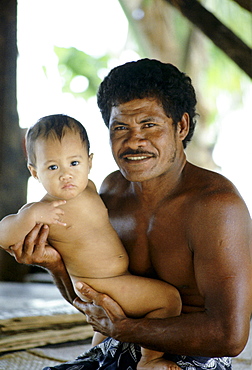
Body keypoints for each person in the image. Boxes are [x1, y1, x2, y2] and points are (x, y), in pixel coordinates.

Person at [7, 59, 252, 370]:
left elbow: (230, 336)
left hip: (189, 361)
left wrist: (126, 330)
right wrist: (54, 264)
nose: (134, 140)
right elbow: (94, 298)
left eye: (149, 125)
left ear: (181, 126)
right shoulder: (110, 191)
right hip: (116, 347)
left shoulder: (216, 207)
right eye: (121, 127)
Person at [0, 113, 182, 369]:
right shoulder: (47, 209)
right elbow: (3, 234)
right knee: (168, 299)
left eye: (74, 163)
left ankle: (94, 356)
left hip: (115, 278)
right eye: (53, 167)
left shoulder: (89, 187)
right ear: (34, 172)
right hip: (101, 283)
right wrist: (28, 215)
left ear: (89, 161)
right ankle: (150, 359)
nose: (66, 174)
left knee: (104, 335)